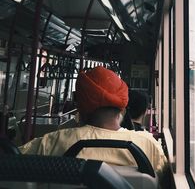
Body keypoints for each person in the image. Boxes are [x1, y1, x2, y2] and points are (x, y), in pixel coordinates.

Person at [19, 66, 167, 179]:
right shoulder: (148, 145)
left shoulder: (52, 142)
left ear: (81, 107)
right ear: (122, 109)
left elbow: (12, 161)